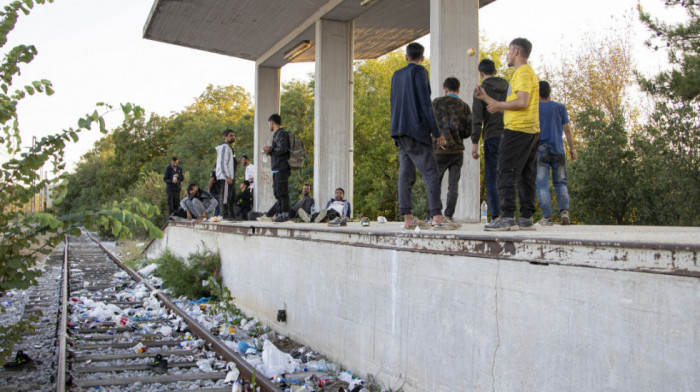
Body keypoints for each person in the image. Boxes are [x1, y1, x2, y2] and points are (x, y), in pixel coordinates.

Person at [474, 37, 540, 231]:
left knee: (504, 171)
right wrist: (486, 98)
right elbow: (513, 106)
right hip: (530, 130)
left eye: (509, 51)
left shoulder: (522, 73)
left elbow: (522, 102)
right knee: (526, 174)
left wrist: (500, 104)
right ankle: (526, 218)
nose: (507, 55)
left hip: (517, 131)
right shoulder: (527, 73)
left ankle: (508, 216)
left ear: (516, 52)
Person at [390, 42, 457, 230]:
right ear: (422, 58)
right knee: (431, 173)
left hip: (399, 131)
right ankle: (437, 216)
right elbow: (425, 105)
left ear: (406, 56)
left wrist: (395, 130)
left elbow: (393, 103)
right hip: (416, 131)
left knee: (405, 174)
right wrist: (436, 133)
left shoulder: (396, 75)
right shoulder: (419, 72)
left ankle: (408, 218)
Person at [471, 59, 509, 222]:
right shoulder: (508, 86)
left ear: (481, 73)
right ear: (494, 71)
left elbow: (477, 118)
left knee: (493, 176)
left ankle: (496, 215)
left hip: (492, 135)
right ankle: (509, 213)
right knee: (508, 175)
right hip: (510, 134)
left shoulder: (481, 90)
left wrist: (474, 144)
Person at [430, 76, 471, 222]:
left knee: (434, 183)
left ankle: (433, 215)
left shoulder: (436, 103)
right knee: (453, 186)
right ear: (458, 90)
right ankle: (448, 216)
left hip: (439, 150)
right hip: (457, 152)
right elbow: (468, 132)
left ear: (445, 89)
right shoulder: (464, 106)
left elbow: (429, 123)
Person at [536, 80, 577, 226]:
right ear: (549, 92)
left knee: (542, 184)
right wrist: (572, 148)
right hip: (558, 149)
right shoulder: (560, 107)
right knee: (561, 182)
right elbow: (567, 130)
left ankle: (547, 218)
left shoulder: (535, 108)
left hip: (541, 149)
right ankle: (564, 212)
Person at [262, 114, 291, 223]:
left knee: (282, 191)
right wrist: (269, 151)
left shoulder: (281, 133)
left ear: (272, 122)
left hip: (282, 168)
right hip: (276, 168)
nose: (269, 125)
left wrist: (271, 148)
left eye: (269, 123)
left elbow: (283, 149)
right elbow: (277, 151)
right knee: (277, 192)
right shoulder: (276, 135)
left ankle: (285, 214)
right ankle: (279, 213)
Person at [215, 129, 237, 220]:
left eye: (233, 136)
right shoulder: (224, 147)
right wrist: (227, 176)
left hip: (231, 176)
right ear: (225, 137)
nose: (233, 137)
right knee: (226, 197)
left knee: (232, 197)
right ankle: (225, 215)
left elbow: (230, 162)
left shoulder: (230, 148)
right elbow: (222, 163)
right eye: (230, 136)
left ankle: (232, 215)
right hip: (226, 177)